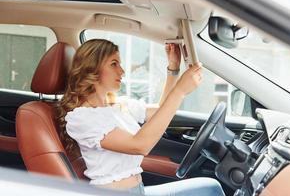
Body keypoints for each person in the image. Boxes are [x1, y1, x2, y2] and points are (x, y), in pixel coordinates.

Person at [57, 39, 225, 196]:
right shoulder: (82, 118)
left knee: (211, 188)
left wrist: (173, 68)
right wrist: (180, 91)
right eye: (114, 64)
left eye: (120, 64)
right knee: (211, 190)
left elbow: (161, 111)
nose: (122, 71)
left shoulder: (118, 106)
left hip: (139, 190)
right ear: (91, 69)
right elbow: (139, 146)